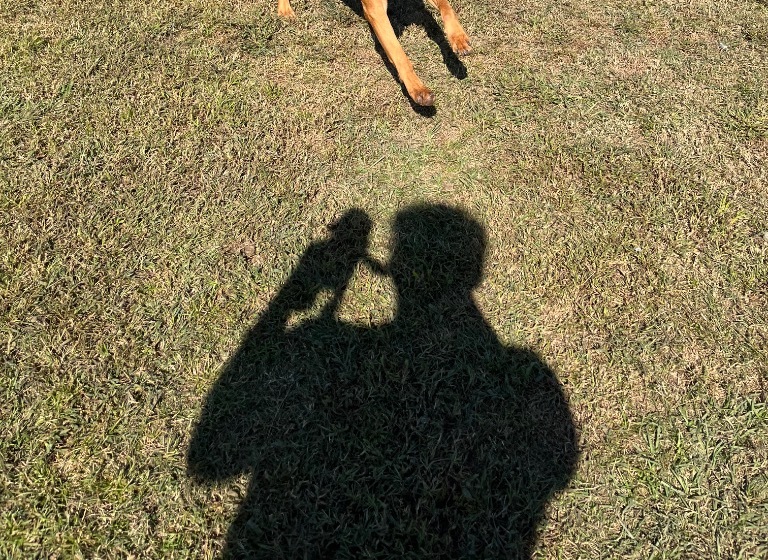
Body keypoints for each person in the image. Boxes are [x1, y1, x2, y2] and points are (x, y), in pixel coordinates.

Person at [188, 203, 577, 559]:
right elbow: (556, 468)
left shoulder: (313, 348)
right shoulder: (524, 373)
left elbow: (209, 462)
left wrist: (285, 302)